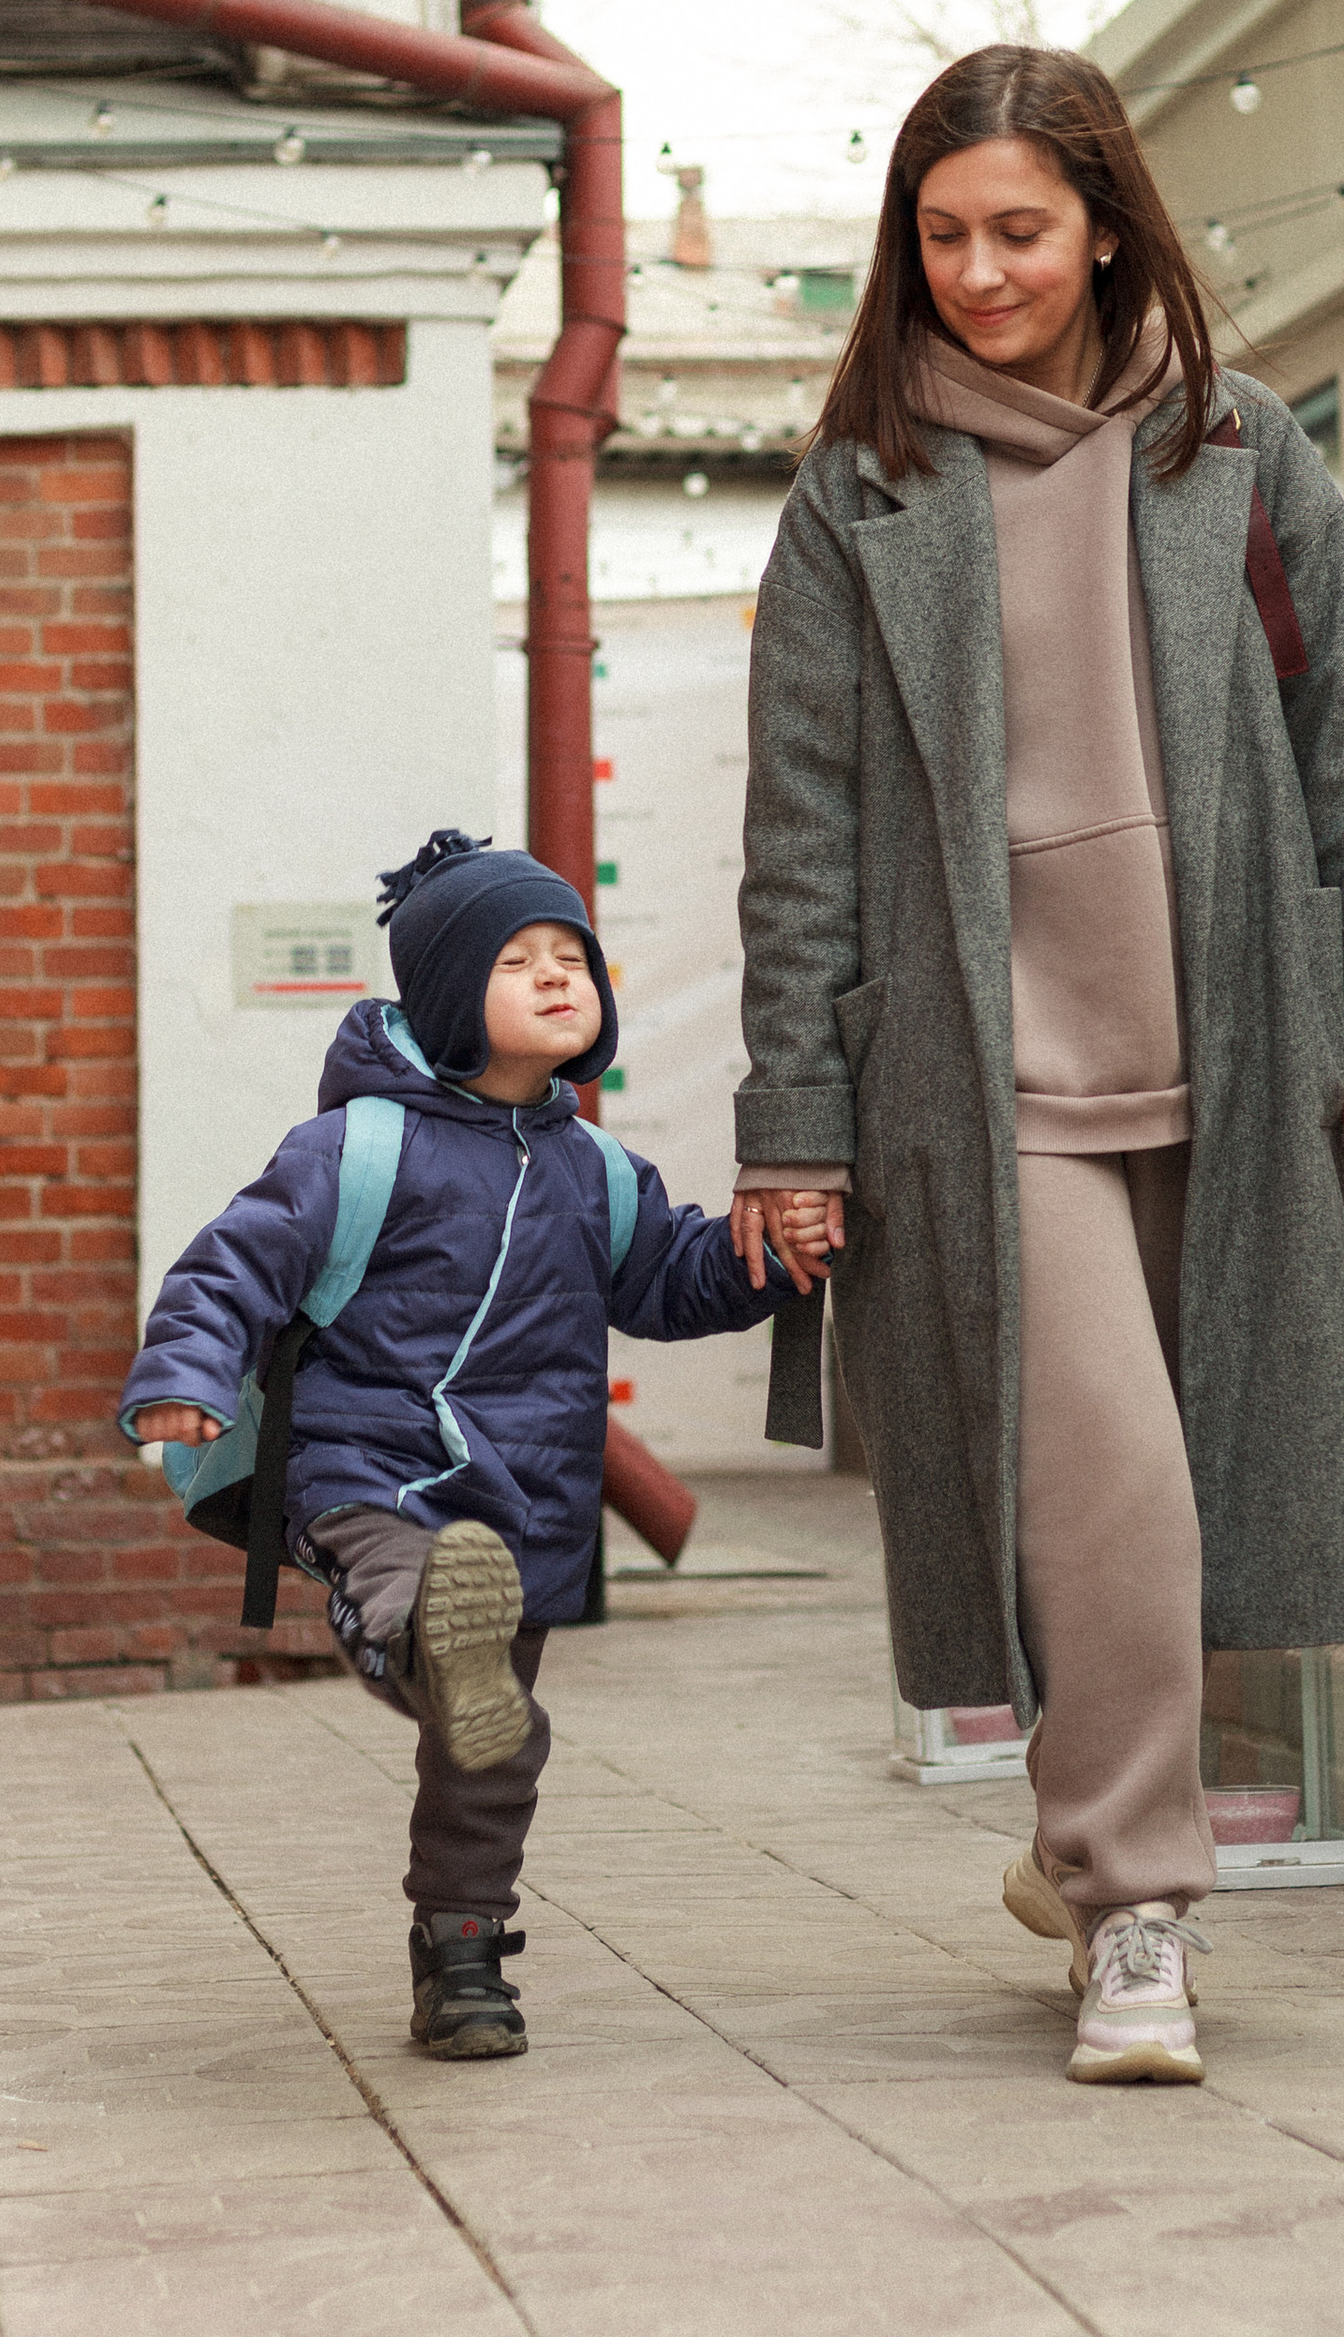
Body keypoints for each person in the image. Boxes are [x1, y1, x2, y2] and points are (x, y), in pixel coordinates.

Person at [732, 48, 1344, 2089]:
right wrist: (794, 1123)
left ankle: (1081, 1818)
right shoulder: (856, 498)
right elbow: (800, 837)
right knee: (1110, 1483)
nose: (976, 271)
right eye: (940, 235)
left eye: (1016, 230)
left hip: (1222, 1048)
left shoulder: (1237, 453)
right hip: (979, 1080)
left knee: (1178, 1495)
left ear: (1107, 225)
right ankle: (1138, 1910)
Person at [122, 830, 827, 2060]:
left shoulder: (595, 1170)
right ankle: (416, 1632)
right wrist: (185, 1380)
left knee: (490, 1743)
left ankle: (463, 1958)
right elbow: (230, 1268)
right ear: (451, 997)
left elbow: (671, 1282)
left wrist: (769, 1256)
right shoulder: (357, 1150)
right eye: (518, 961)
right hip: (366, 1467)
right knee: (412, 1591)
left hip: (524, 1497)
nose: (559, 977)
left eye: (575, 957)